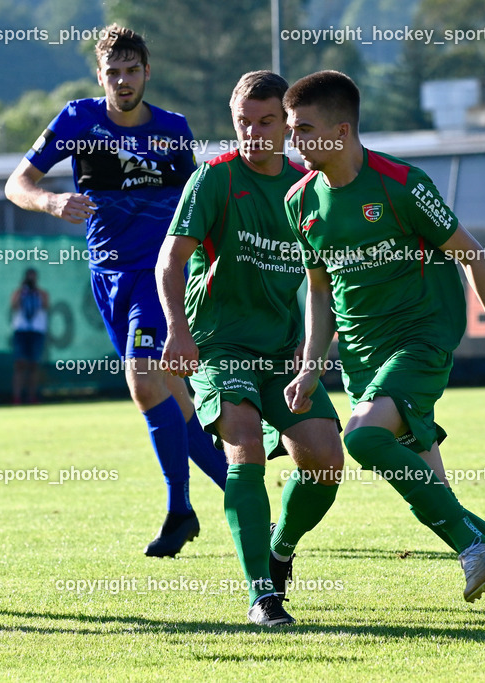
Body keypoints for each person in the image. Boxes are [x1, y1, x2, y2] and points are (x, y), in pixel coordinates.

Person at [282, 70, 485, 623]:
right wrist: (308, 368)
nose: (292, 141)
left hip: (420, 342)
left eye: (303, 129)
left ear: (341, 130)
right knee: (437, 497)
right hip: (362, 361)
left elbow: (472, 254)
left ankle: (475, 551)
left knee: (364, 439)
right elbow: (320, 290)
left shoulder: (401, 183)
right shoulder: (299, 202)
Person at [5, 24, 228, 556]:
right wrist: (52, 202)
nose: (123, 80)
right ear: (99, 76)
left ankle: (179, 510)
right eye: (113, 72)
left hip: (160, 276)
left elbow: (197, 206)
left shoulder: (174, 129)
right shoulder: (78, 121)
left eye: (132, 70)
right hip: (107, 276)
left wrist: (214, 263)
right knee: (174, 399)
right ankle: (244, 493)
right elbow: (18, 184)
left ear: (147, 72)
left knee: (144, 380)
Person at [157, 71, 344, 627]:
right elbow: (170, 260)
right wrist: (177, 330)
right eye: (244, 122)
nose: (254, 133)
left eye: (267, 122)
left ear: (287, 126)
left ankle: (279, 548)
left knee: (327, 464)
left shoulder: (309, 185)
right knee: (245, 452)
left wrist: (313, 357)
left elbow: (322, 284)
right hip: (219, 345)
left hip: (283, 353)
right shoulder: (214, 180)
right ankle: (263, 596)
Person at [11, 268, 49, 404]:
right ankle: (17, 397)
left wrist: (35, 291)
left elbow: (46, 305)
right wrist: (22, 290)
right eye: (29, 277)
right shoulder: (19, 293)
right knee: (20, 364)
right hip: (21, 331)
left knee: (34, 365)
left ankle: (32, 396)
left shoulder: (41, 293)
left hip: (37, 331)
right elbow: (14, 306)